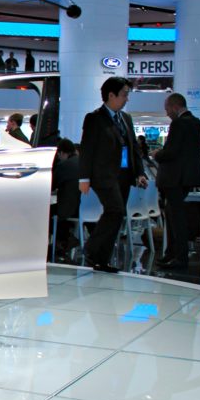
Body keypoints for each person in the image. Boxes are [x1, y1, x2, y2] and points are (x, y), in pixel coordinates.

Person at [78, 76, 148, 273]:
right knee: (115, 210)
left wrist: (139, 172)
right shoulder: (94, 118)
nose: (127, 99)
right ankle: (91, 249)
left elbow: (134, 147)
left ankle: (101, 259)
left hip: (125, 175)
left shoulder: (126, 119)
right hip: (104, 176)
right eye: (124, 95)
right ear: (111, 95)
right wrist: (84, 178)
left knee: (118, 216)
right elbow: (87, 149)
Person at [152, 93, 200, 270]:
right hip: (187, 178)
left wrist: (157, 154)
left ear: (175, 107)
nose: (167, 113)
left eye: (167, 109)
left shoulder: (179, 123)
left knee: (176, 218)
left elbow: (172, 152)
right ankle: (171, 253)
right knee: (173, 215)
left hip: (174, 178)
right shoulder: (197, 123)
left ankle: (179, 257)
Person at [51, 138, 81, 262]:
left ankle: (61, 242)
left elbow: (51, 185)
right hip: (85, 208)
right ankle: (66, 240)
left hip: (69, 209)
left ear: (62, 153)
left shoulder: (64, 166)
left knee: (46, 212)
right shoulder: (84, 163)